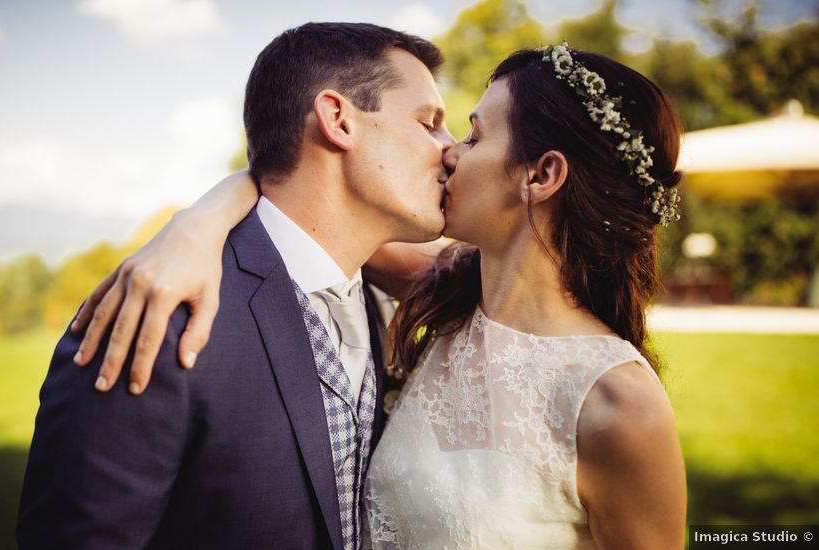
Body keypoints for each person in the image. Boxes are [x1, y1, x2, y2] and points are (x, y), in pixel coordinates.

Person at [72, 43, 689, 548]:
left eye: (473, 137)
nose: (449, 150)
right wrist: (196, 224)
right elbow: (299, 200)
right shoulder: (443, 294)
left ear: (541, 175)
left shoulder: (618, 405)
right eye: (437, 126)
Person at [17, 22, 454, 549]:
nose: (450, 151)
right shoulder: (158, 314)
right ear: (338, 120)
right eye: (429, 123)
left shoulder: (389, 291)